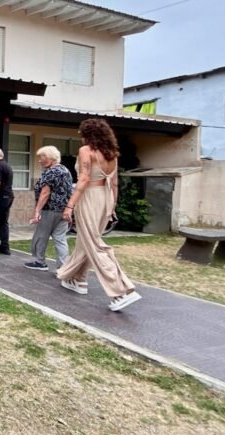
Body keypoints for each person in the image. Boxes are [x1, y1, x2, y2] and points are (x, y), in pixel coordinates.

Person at [57, 119, 141, 312]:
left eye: (81, 134)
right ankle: (78, 280)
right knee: (85, 242)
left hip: (89, 197)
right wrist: (111, 207)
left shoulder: (86, 151)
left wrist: (70, 205)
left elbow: (84, 178)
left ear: (88, 134)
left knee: (94, 244)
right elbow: (114, 184)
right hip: (105, 199)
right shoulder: (112, 154)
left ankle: (120, 291)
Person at [25, 146, 73, 271]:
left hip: (49, 209)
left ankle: (40, 262)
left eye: (41, 157)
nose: (39, 160)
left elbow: (45, 193)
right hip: (63, 210)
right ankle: (63, 267)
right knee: (60, 238)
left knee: (41, 235)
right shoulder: (65, 170)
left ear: (49, 157)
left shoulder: (50, 172)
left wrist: (37, 211)